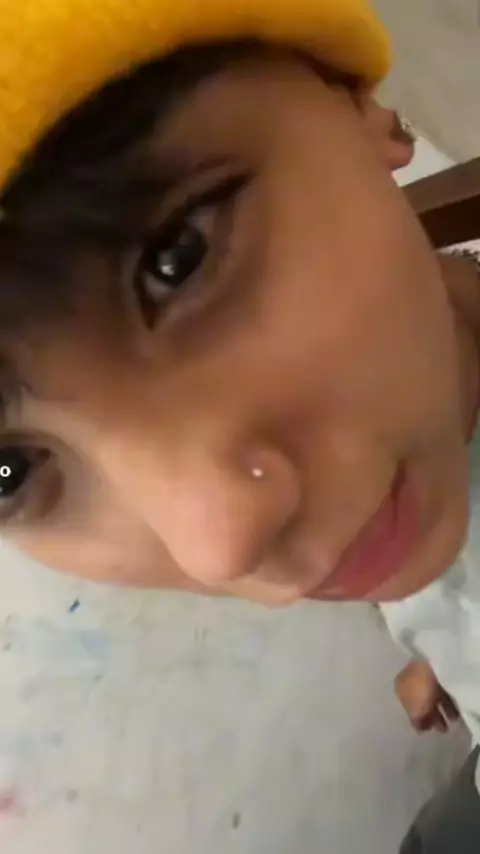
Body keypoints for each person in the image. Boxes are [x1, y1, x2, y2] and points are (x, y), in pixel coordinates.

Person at [0, 1, 480, 850]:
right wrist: (443, 645)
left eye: (177, 259)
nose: (218, 542)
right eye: (9, 471)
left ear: (357, 106)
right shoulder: (378, 478)